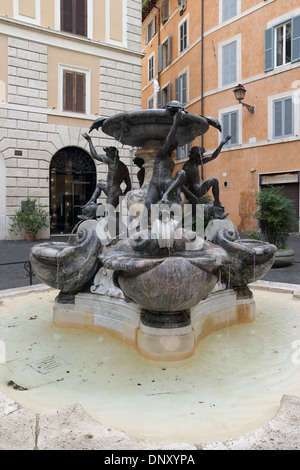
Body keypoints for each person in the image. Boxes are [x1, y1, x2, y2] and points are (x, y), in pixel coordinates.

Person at [182, 136, 231, 219]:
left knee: (192, 214)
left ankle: (218, 209)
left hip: (199, 189)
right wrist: (192, 196)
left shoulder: (195, 162)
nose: (202, 157)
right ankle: (217, 204)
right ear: (195, 155)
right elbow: (182, 185)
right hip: (195, 192)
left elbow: (213, 156)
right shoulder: (187, 167)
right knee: (214, 180)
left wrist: (221, 144)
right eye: (200, 155)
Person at [82, 133, 131, 209]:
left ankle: (92, 203)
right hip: (117, 191)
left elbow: (95, 155)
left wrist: (89, 140)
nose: (106, 155)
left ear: (111, 154)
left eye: (107, 154)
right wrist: (122, 196)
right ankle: (91, 201)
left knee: (108, 215)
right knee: (99, 185)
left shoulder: (112, 161)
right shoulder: (124, 167)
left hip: (112, 192)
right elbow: (129, 186)